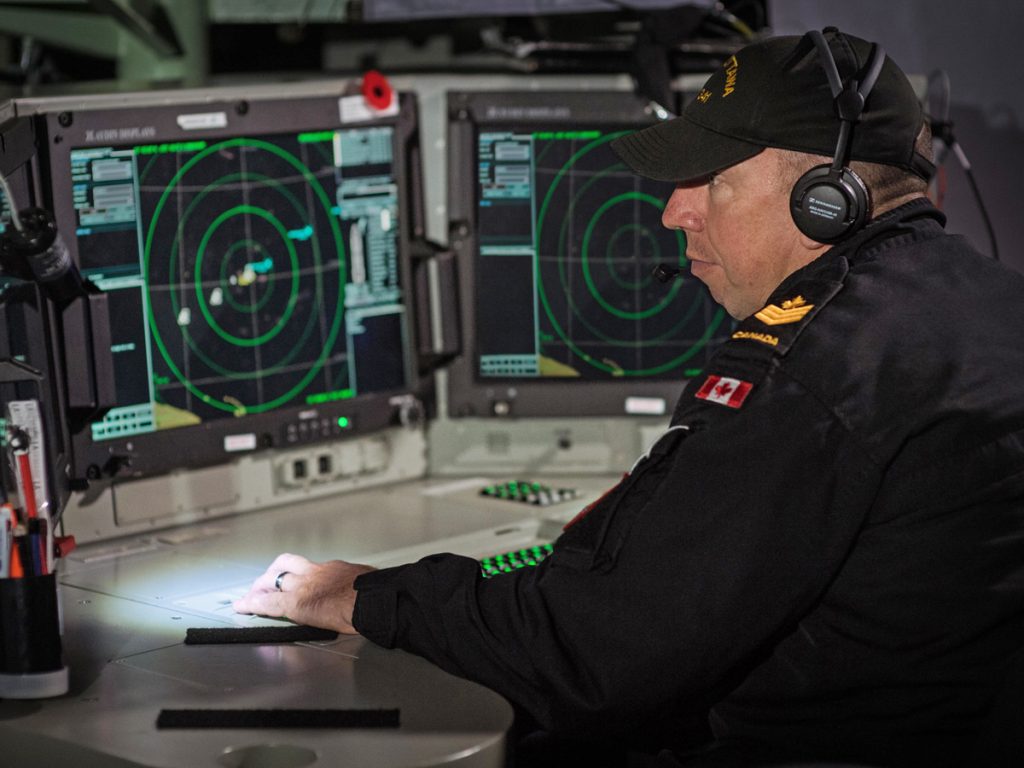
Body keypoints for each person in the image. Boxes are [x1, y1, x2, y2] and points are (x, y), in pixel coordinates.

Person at [235, 28, 1024, 767]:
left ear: (824, 197)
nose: (673, 213)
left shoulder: (812, 364)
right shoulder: (993, 304)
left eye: (711, 181)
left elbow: (598, 653)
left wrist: (362, 596)